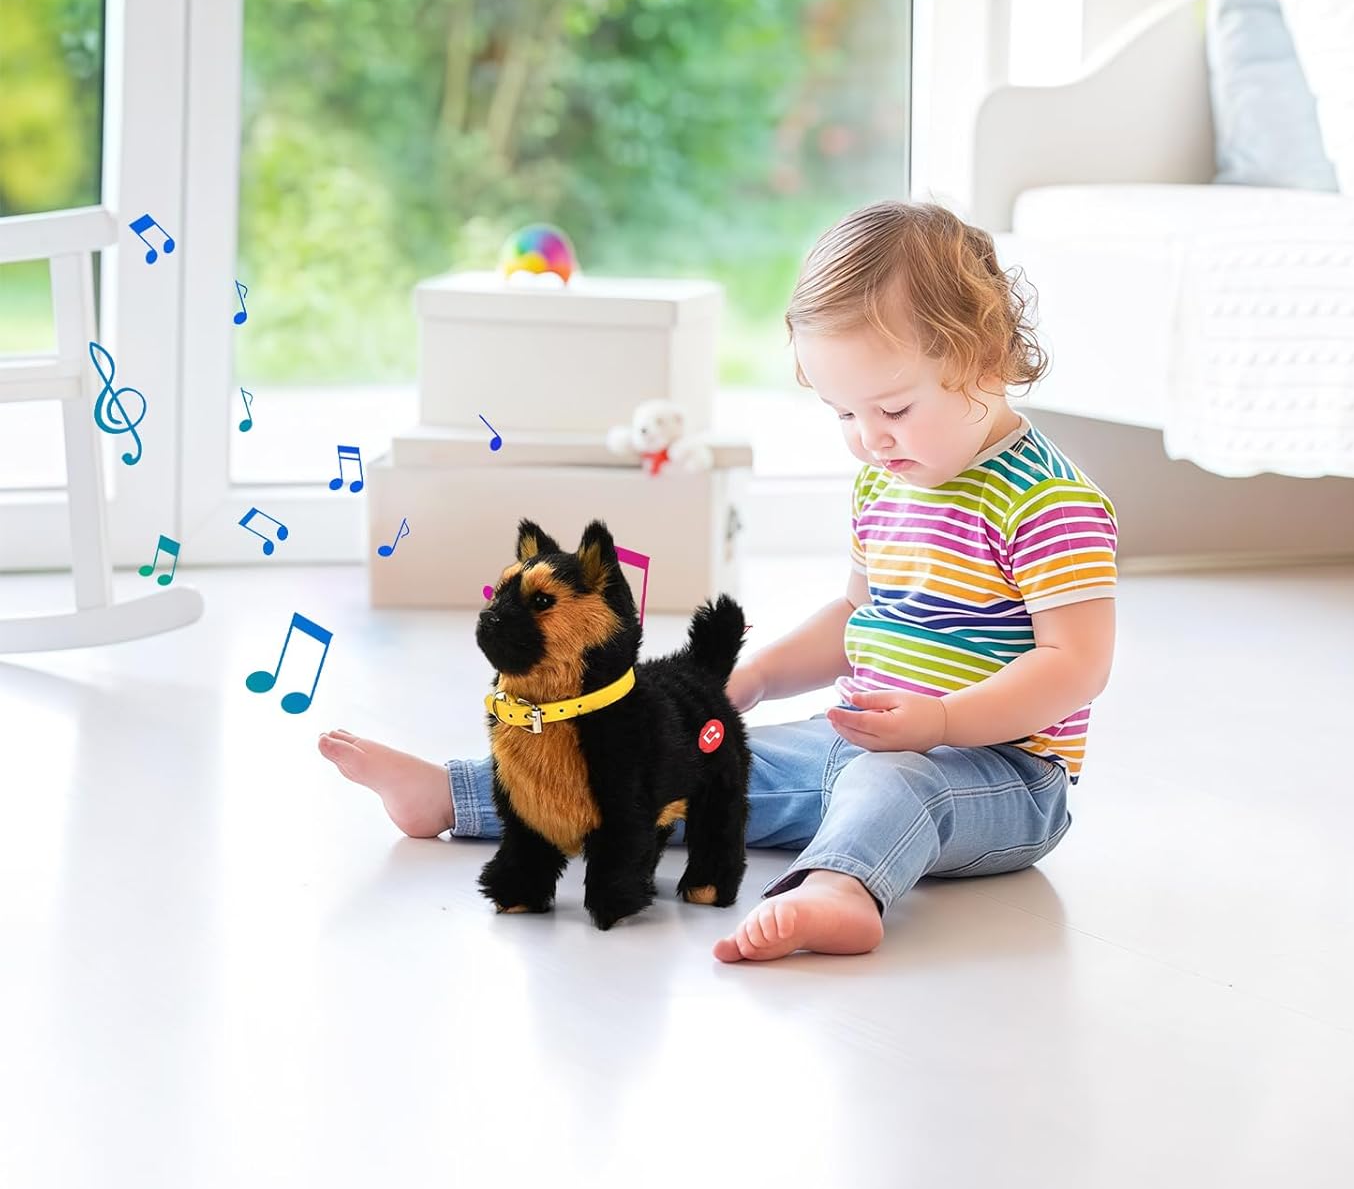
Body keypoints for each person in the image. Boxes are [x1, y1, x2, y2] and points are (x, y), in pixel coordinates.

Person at [320, 199, 1118, 963]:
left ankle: (841, 889)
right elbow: (858, 613)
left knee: (898, 784)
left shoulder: (1048, 502)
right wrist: (759, 675)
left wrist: (942, 721)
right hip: (857, 741)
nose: (869, 439)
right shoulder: (887, 481)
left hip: (999, 776)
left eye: (894, 410)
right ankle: (454, 796)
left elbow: (1076, 665)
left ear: (983, 356)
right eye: (844, 414)